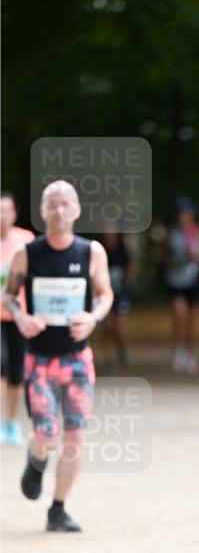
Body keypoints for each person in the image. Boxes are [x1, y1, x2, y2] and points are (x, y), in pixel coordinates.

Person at [2, 180, 113, 532]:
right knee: (47, 434)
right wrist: (21, 317)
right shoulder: (27, 254)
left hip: (78, 359)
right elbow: (9, 296)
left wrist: (92, 318)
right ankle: (35, 462)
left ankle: (58, 509)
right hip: (39, 359)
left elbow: (105, 294)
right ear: (42, 211)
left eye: (66, 204)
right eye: (52, 203)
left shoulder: (91, 252)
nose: (59, 210)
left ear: (78, 210)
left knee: (75, 436)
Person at [0, 191, 34, 445]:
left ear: (14, 214)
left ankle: (11, 423)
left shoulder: (26, 240)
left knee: (17, 372)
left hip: (18, 316)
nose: (2, 215)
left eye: (6, 210)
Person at [164, 197, 199, 374]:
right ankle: (179, 351)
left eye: (187, 213)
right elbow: (164, 257)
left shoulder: (198, 231)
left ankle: (190, 354)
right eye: (181, 213)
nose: (184, 216)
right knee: (179, 317)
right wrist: (175, 259)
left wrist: (196, 257)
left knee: (192, 323)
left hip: (194, 281)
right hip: (176, 281)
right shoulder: (171, 234)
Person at [100, 227, 138, 370]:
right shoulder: (100, 249)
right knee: (106, 326)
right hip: (104, 293)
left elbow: (133, 265)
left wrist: (128, 280)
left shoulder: (124, 249)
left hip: (121, 293)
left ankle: (121, 349)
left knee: (118, 327)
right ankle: (109, 358)